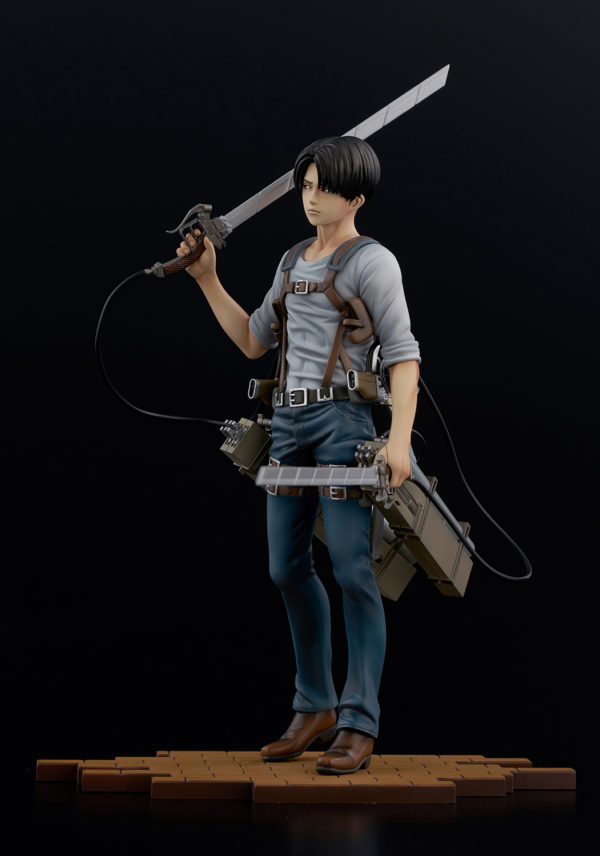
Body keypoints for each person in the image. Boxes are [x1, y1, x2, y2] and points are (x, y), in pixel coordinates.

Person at [176, 136, 420, 774]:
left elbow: (403, 355)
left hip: (342, 423)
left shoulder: (373, 262)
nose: (312, 199)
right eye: (307, 185)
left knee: (353, 572)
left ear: (355, 198)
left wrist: (398, 437)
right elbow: (253, 341)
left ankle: (358, 718)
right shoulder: (290, 262)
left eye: (325, 188)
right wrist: (208, 279)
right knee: (285, 568)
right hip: (287, 423)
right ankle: (314, 705)